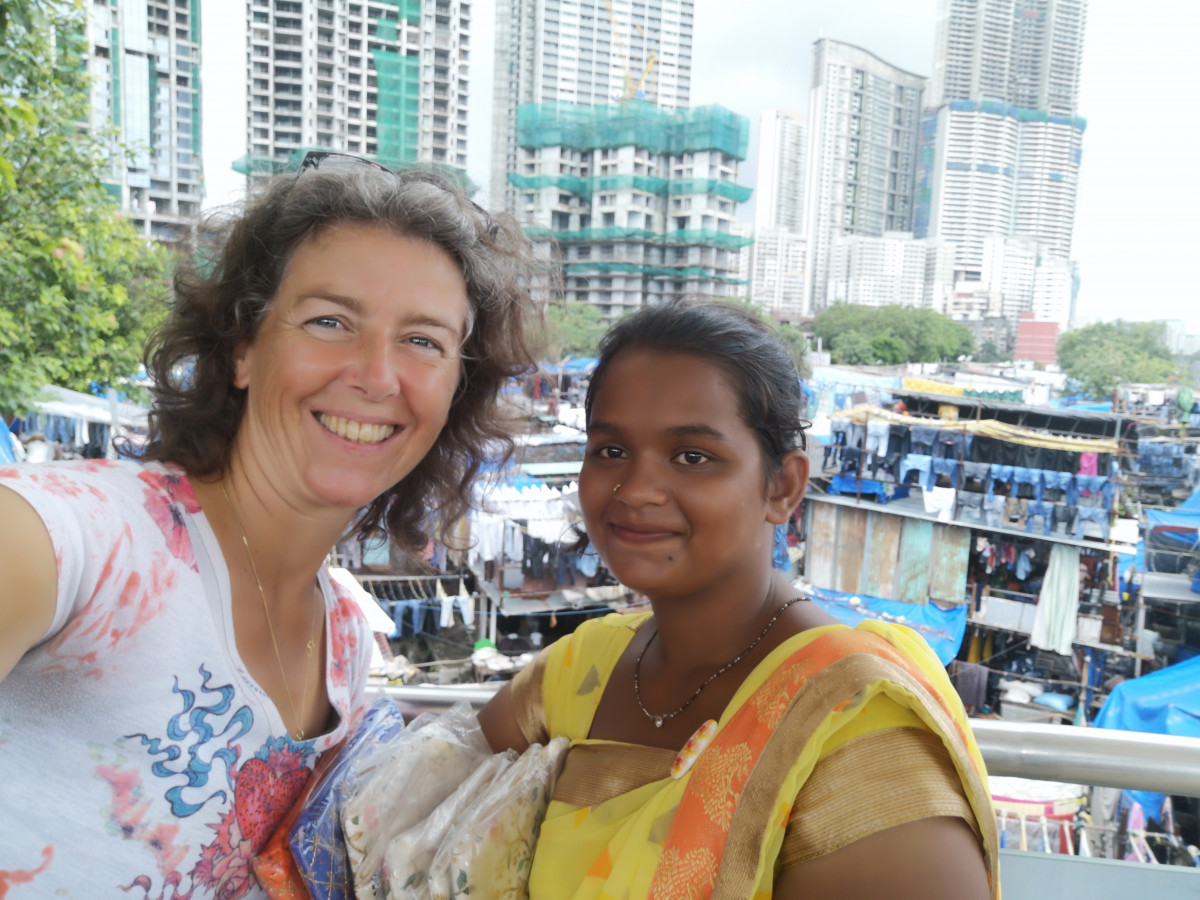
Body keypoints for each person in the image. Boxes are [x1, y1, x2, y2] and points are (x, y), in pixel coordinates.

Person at [0, 153, 538, 898]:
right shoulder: (83, 542)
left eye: (423, 341)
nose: (376, 375)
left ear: (454, 388)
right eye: (329, 321)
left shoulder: (346, 641)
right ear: (244, 347)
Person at [480, 301, 998, 899]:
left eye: (692, 457)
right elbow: (428, 790)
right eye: (612, 451)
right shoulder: (579, 672)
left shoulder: (853, 724)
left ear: (782, 486)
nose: (637, 490)